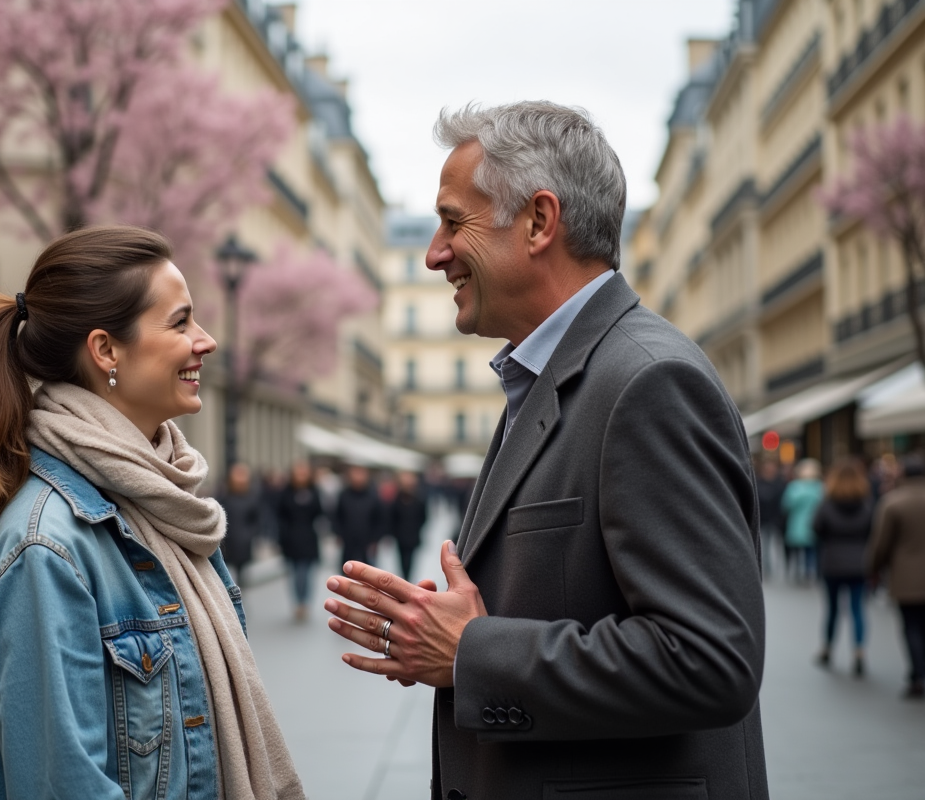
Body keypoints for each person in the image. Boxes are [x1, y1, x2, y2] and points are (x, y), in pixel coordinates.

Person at [323, 101, 768, 799]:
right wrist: (445, 634)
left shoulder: (649, 382)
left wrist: (473, 651)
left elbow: (711, 660)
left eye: (453, 222)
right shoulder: (551, 376)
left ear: (538, 221)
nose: (435, 254)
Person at [0, 226, 304, 799]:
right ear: (106, 350)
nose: (204, 341)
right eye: (180, 322)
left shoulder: (167, 507)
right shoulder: (48, 546)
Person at [867, 452, 925, 699]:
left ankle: (917, 675)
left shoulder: (893, 502)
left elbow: (880, 543)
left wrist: (873, 569)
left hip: (906, 576)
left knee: (911, 625)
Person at [811, 457, 873, 677]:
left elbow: (817, 528)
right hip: (859, 562)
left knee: (833, 609)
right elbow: (872, 531)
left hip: (833, 562)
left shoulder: (827, 504)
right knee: (857, 609)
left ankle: (828, 648)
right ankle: (858, 651)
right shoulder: (866, 504)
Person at [277, 462, 325, 623]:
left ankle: (305, 602)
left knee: (306, 572)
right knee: (295, 573)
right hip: (291, 538)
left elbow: (319, 512)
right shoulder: (286, 493)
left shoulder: (314, 492)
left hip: (308, 538)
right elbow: (280, 514)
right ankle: (298, 601)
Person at [332, 464, 383, 571]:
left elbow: (380, 519)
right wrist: (338, 533)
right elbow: (337, 516)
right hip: (348, 539)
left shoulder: (373, 496)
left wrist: (375, 539)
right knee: (346, 568)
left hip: (367, 540)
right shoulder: (344, 495)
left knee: (367, 570)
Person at [217, 462, 261, 586]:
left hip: (243, 544)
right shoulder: (224, 497)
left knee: (241, 578)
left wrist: (249, 534)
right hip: (227, 543)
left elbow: (257, 519)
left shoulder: (252, 497)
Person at [783, 459, 824, 581]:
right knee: (810, 550)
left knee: (797, 550)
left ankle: (798, 572)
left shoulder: (794, 487)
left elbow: (786, 504)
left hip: (797, 523)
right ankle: (809, 571)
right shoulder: (820, 487)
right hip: (813, 522)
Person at [388, 471, 428, 580]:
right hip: (400, 536)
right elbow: (392, 517)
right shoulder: (397, 498)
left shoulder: (419, 499)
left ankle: (407, 578)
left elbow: (423, 517)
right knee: (402, 559)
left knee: (410, 560)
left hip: (413, 536)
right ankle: (404, 577)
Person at [755, 457, 786, 578]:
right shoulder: (758, 482)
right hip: (763, 519)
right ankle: (766, 568)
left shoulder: (780, 483)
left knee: (776, 544)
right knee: (765, 545)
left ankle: (774, 568)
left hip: (776, 519)